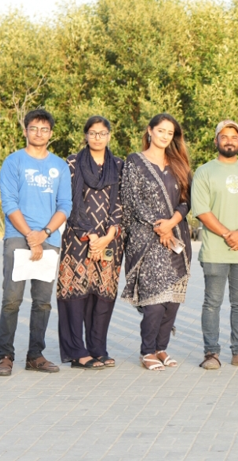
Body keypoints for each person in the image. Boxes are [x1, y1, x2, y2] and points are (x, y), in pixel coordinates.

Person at [0, 109, 72, 376]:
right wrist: (32, 236)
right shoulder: (13, 162)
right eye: (34, 128)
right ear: (26, 131)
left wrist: (44, 233)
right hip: (18, 238)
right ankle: (4, 355)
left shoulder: (59, 166)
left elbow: (65, 204)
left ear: (51, 133)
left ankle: (35, 355)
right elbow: (9, 204)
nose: (38, 133)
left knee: (42, 301)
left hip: (49, 238)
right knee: (11, 300)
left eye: (44, 129)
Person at [121, 113, 192, 371]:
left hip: (177, 237)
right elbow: (131, 200)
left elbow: (186, 200)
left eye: (169, 133)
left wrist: (171, 223)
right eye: (160, 130)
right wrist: (159, 227)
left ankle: (162, 348)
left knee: (172, 299)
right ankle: (146, 351)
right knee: (154, 299)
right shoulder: (134, 162)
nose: (164, 136)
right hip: (147, 238)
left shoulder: (178, 163)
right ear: (150, 131)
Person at [194, 120, 238, 370]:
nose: (229, 141)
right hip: (215, 250)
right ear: (216, 141)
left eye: (234, 137)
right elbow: (202, 210)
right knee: (212, 302)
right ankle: (211, 353)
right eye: (224, 136)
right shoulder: (204, 172)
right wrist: (227, 234)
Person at [56, 115, 124, 370]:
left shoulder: (118, 165)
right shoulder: (71, 164)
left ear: (109, 135)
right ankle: (77, 351)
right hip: (77, 239)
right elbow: (69, 201)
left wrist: (107, 235)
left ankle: (98, 348)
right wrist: (90, 235)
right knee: (75, 295)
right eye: (93, 133)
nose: (98, 137)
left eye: (102, 133)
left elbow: (120, 204)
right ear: (85, 135)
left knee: (103, 296)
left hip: (111, 241)